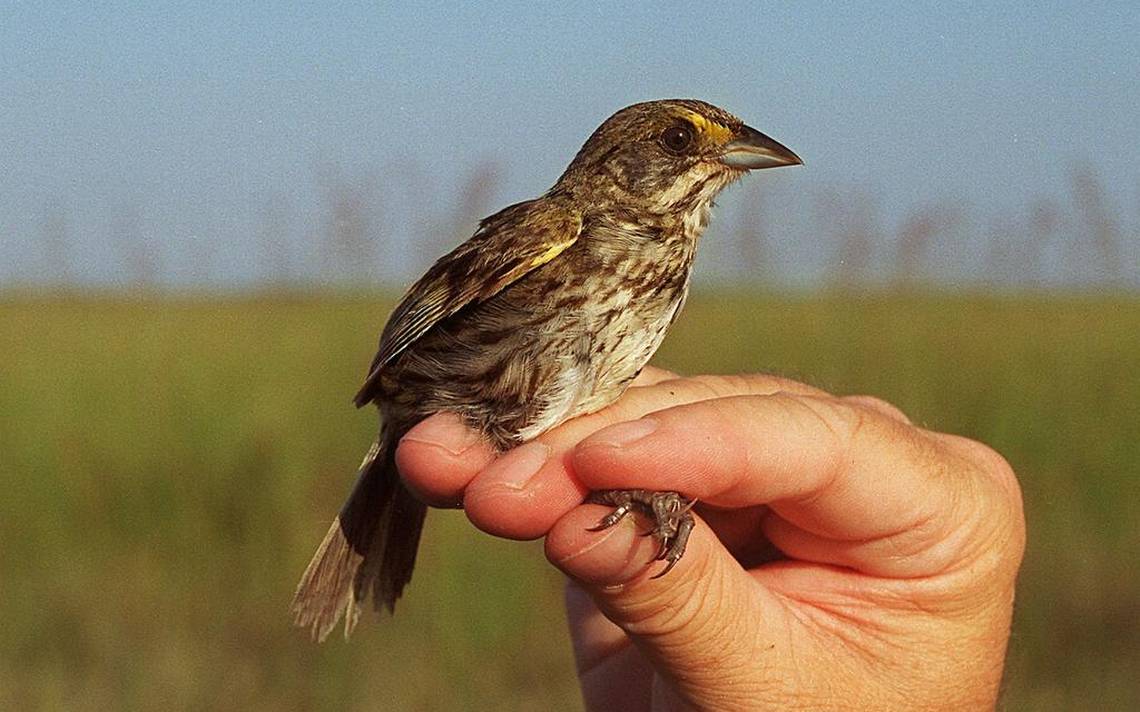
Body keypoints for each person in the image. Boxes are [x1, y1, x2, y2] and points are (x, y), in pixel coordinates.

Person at [394, 368, 1026, 710]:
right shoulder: (563, 231)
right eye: (679, 142)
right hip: (472, 406)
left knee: (600, 458)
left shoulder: (666, 262)